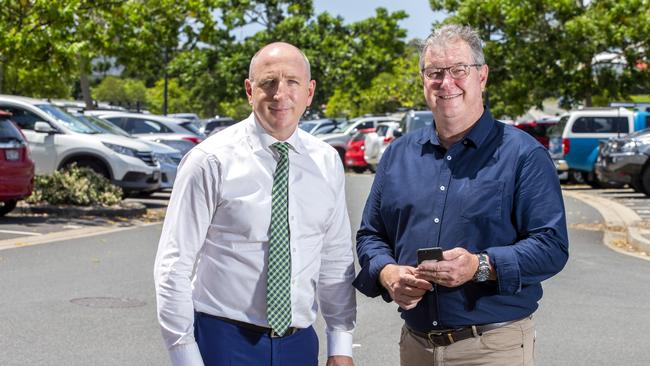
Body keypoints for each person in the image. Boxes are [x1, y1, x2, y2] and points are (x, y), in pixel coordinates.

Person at [353, 24, 569, 366]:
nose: (446, 82)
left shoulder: (523, 155)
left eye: (458, 70)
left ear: (481, 76)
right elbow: (371, 236)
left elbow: (551, 247)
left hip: (493, 348)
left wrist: (480, 266)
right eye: (435, 72)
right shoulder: (398, 155)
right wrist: (386, 272)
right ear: (424, 80)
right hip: (415, 347)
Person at [154, 42, 356, 366]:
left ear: (310, 92)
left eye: (292, 82)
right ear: (250, 90)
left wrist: (341, 344)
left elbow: (335, 259)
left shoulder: (327, 162)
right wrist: (185, 356)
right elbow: (173, 265)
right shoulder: (209, 161)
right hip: (223, 343)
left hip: (300, 345)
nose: (281, 93)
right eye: (268, 82)